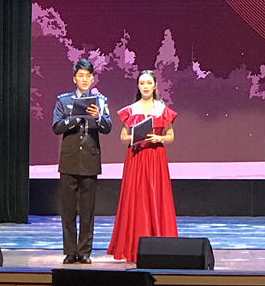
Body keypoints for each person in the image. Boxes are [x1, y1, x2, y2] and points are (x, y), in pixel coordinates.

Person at [107, 70, 178, 262]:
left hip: (155, 157)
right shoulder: (130, 110)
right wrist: (135, 137)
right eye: (142, 83)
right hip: (136, 156)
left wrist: (159, 138)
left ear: (155, 85)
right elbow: (123, 137)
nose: (145, 86)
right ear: (138, 86)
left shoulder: (162, 110)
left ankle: (159, 245)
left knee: (156, 197)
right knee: (136, 198)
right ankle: (132, 246)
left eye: (148, 83)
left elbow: (170, 136)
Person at [52, 58, 112, 265]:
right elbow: (56, 127)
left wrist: (97, 117)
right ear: (74, 78)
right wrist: (74, 118)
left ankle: (84, 251)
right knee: (68, 210)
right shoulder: (63, 101)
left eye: (88, 76)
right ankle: (70, 251)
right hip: (69, 160)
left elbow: (107, 128)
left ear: (92, 78)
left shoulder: (100, 101)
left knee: (87, 210)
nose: (84, 79)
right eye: (81, 76)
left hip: (90, 160)